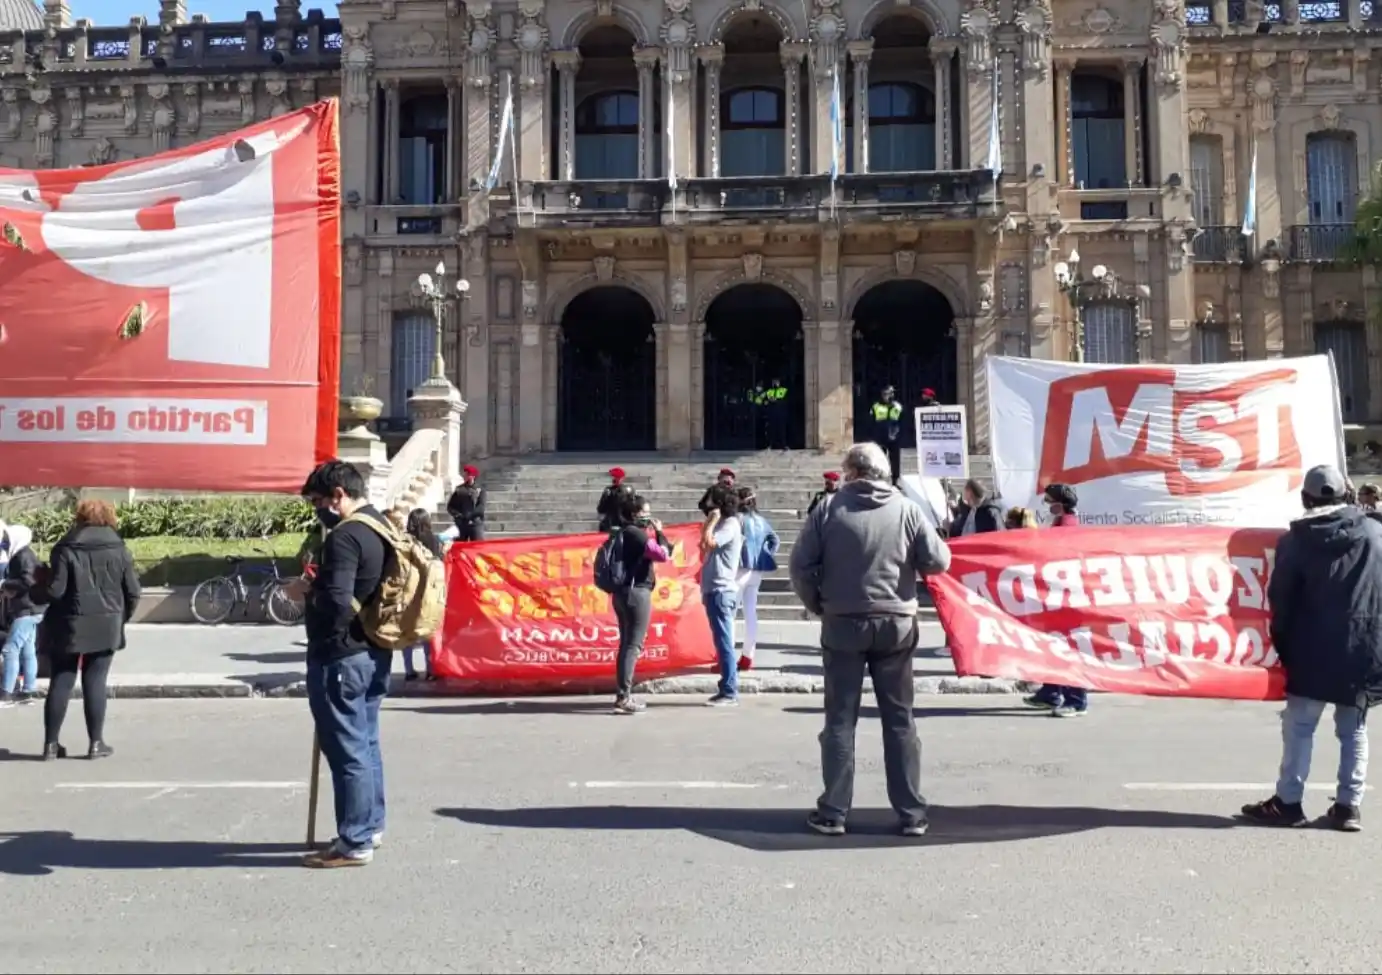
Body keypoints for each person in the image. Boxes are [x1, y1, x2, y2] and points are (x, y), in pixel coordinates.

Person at [789, 442, 952, 838]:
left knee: (840, 721)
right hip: (896, 622)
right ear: (883, 472)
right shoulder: (907, 510)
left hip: (843, 622)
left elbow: (799, 566)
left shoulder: (827, 510)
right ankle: (911, 813)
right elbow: (939, 560)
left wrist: (819, 604)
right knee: (900, 720)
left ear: (850, 472)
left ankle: (833, 812)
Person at [1240, 465, 1382, 832]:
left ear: (1306, 498)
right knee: (1353, 731)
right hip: (1363, 647)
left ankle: (1288, 803)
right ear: (1346, 495)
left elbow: (1280, 600)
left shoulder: (1296, 541)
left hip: (1310, 649)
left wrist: (1282, 646)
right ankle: (1348, 807)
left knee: (1300, 727)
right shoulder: (1374, 534)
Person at [297, 460, 393, 868]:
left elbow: (337, 602)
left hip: (341, 653)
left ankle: (354, 841)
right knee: (366, 744)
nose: (317, 508)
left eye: (318, 500)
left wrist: (304, 592)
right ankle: (369, 825)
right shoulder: (381, 528)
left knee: (348, 750)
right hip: (373, 649)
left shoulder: (344, 536)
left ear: (338, 494)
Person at [39, 500, 141, 759]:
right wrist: (121, 618)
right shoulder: (119, 548)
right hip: (106, 625)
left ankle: (51, 745)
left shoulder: (65, 548)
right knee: (95, 682)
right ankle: (96, 743)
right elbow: (133, 591)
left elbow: (55, 591)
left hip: (68, 624)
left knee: (61, 680)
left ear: (80, 518)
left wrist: (35, 586)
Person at [1024, 482, 1087, 716]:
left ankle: (1076, 699)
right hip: (1056, 594)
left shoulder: (1068, 526)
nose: (1047, 505)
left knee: (1068, 647)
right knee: (1053, 644)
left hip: (1067, 597)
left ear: (1061, 503)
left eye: (1049, 501)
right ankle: (1050, 692)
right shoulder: (1061, 523)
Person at [609, 492, 672, 715]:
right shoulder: (636, 534)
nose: (648, 515)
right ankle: (624, 696)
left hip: (621, 593)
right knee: (633, 646)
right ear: (635, 514)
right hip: (636, 593)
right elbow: (663, 555)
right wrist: (660, 532)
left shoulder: (621, 532)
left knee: (626, 645)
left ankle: (622, 694)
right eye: (645, 512)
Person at [699, 483, 745, 706]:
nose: (707, 506)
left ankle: (730, 690)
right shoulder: (722, 524)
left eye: (711, 501)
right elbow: (703, 544)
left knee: (725, 642)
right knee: (720, 641)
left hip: (722, 589)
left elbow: (709, 542)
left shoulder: (729, 524)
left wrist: (712, 520)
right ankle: (725, 686)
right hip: (713, 588)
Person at [735, 486, 780, 672]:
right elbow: (775, 540)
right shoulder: (761, 520)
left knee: (730, 613)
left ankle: (726, 657)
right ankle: (748, 656)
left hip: (739, 568)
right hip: (756, 570)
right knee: (750, 613)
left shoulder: (737, 519)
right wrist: (765, 554)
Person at [0, 520, 43, 708]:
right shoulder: (25, 555)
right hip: (33, 609)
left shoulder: (22, 556)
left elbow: (27, 581)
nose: (5, 543)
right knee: (28, 651)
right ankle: (27, 691)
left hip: (26, 609)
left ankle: (6, 694)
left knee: (10, 650)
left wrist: (5, 585)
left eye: (8, 539)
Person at [403, 508, 444, 682]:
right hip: (429, 589)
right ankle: (430, 669)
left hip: (408, 588)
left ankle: (409, 670)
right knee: (427, 630)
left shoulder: (405, 540)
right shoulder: (433, 540)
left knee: (407, 632)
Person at [869, 385, 904, 485]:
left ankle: (895, 480)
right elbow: (871, 422)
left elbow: (903, 420)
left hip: (894, 436)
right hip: (880, 436)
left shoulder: (898, 406)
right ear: (883, 395)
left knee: (895, 460)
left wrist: (900, 433)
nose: (891, 395)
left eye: (892, 393)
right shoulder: (876, 406)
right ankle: (881, 479)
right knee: (880, 459)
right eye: (888, 393)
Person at [446, 465, 487, 541]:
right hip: (461, 524)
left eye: (467, 474)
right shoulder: (459, 490)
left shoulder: (480, 490)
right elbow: (450, 507)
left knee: (477, 546)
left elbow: (481, 507)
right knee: (459, 546)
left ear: (473, 476)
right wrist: (458, 516)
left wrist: (470, 516)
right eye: (465, 474)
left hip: (476, 523)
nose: (465, 476)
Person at [597, 467, 633, 531]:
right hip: (622, 523)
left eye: (614, 477)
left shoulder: (609, 491)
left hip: (614, 524)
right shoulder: (628, 490)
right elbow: (601, 509)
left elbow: (601, 509)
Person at [764, 377, 789, 450]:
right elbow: (765, 401)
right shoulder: (769, 391)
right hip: (772, 414)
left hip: (781, 413)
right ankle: (771, 445)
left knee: (782, 430)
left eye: (776, 382)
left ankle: (783, 445)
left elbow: (786, 401)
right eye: (774, 382)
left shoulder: (784, 390)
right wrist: (768, 402)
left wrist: (776, 400)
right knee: (771, 430)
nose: (775, 383)